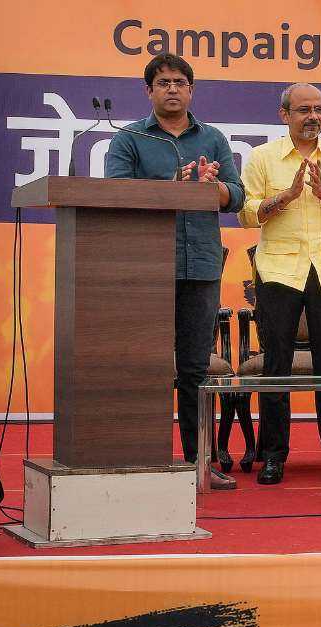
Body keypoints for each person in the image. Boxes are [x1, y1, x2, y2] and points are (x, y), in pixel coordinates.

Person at [105, 53, 244, 490]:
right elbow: (118, 197)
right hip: (147, 268)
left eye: (180, 82)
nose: (172, 89)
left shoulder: (214, 138)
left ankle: (197, 463)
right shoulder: (128, 140)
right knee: (144, 367)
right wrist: (174, 190)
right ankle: (142, 462)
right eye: (162, 82)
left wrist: (213, 188)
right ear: (148, 91)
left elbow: (237, 197)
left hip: (200, 265)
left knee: (194, 370)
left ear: (191, 90)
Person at [239, 83, 321, 485]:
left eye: (319, 109)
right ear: (285, 116)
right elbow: (246, 213)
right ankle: (274, 455)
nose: (313, 117)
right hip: (278, 271)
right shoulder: (262, 157)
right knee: (276, 366)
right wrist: (287, 196)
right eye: (303, 110)